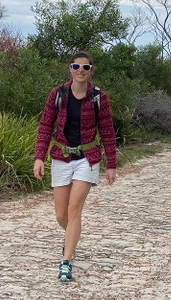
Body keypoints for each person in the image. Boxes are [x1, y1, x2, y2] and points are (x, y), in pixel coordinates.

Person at [33, 51, 118, 282]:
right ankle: (72, 238)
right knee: (61, 214)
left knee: (74, 210)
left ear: (91, 71)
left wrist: (111, 164)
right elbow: (44, 125)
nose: (81, 71)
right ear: (70, 69)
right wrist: (39, 157)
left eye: (86, 67)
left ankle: (66, 262)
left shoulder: (99, 97)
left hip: (87, 158)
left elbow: (107, 131)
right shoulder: (57, 94)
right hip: (61, 156)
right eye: (76, 66)